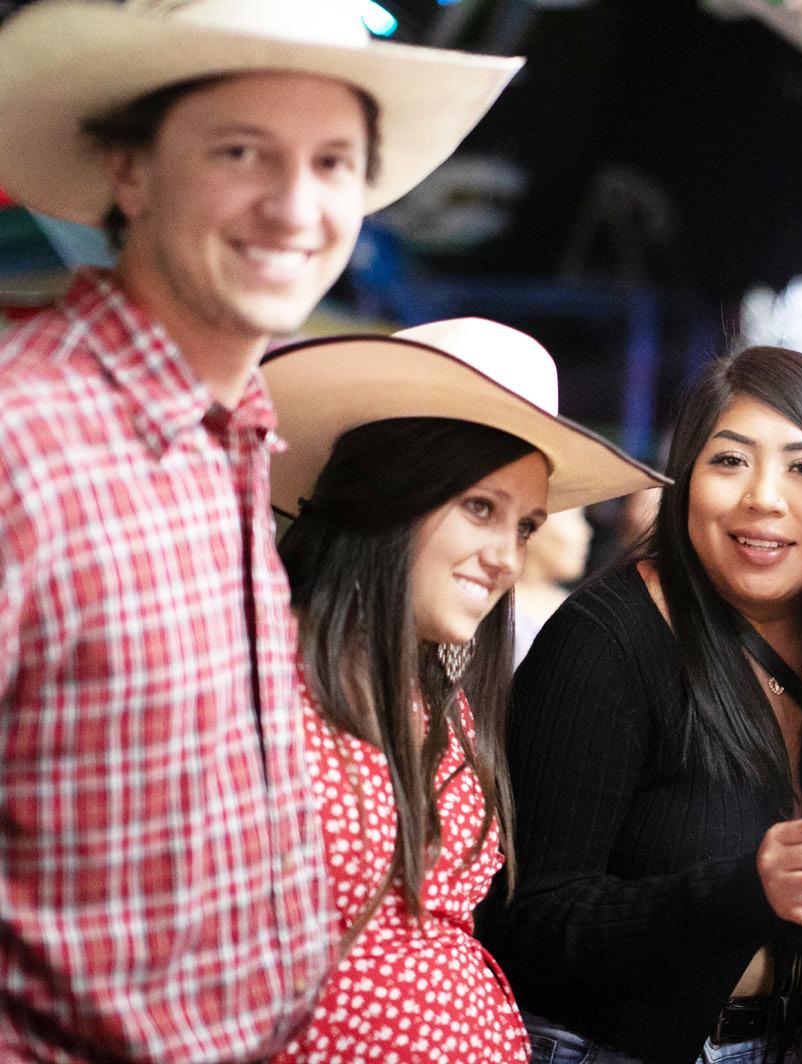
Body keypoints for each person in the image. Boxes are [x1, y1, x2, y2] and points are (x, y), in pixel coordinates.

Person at [0, 1, 520, 1058]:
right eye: (242, 151)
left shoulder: (226, 447)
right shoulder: (28, 438)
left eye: (333, 163)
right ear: (130, 169)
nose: (295, 206)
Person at [477, 346, 802, 1064]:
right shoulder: (607, 639)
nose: (764, 498)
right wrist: (743, 890)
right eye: (730, 460)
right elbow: (526, 923)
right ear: (684, 481)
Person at [262, 317, 662, 1062]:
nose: (506, 556)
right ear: (390, 491)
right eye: (481, 508)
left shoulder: (437, 695)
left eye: (526, 527)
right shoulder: (257, 673)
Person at [513, 506, 595, 665]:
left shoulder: (575, 605)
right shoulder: (502, 611)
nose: (586, 532)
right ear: (532, 530)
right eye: (575, 519)